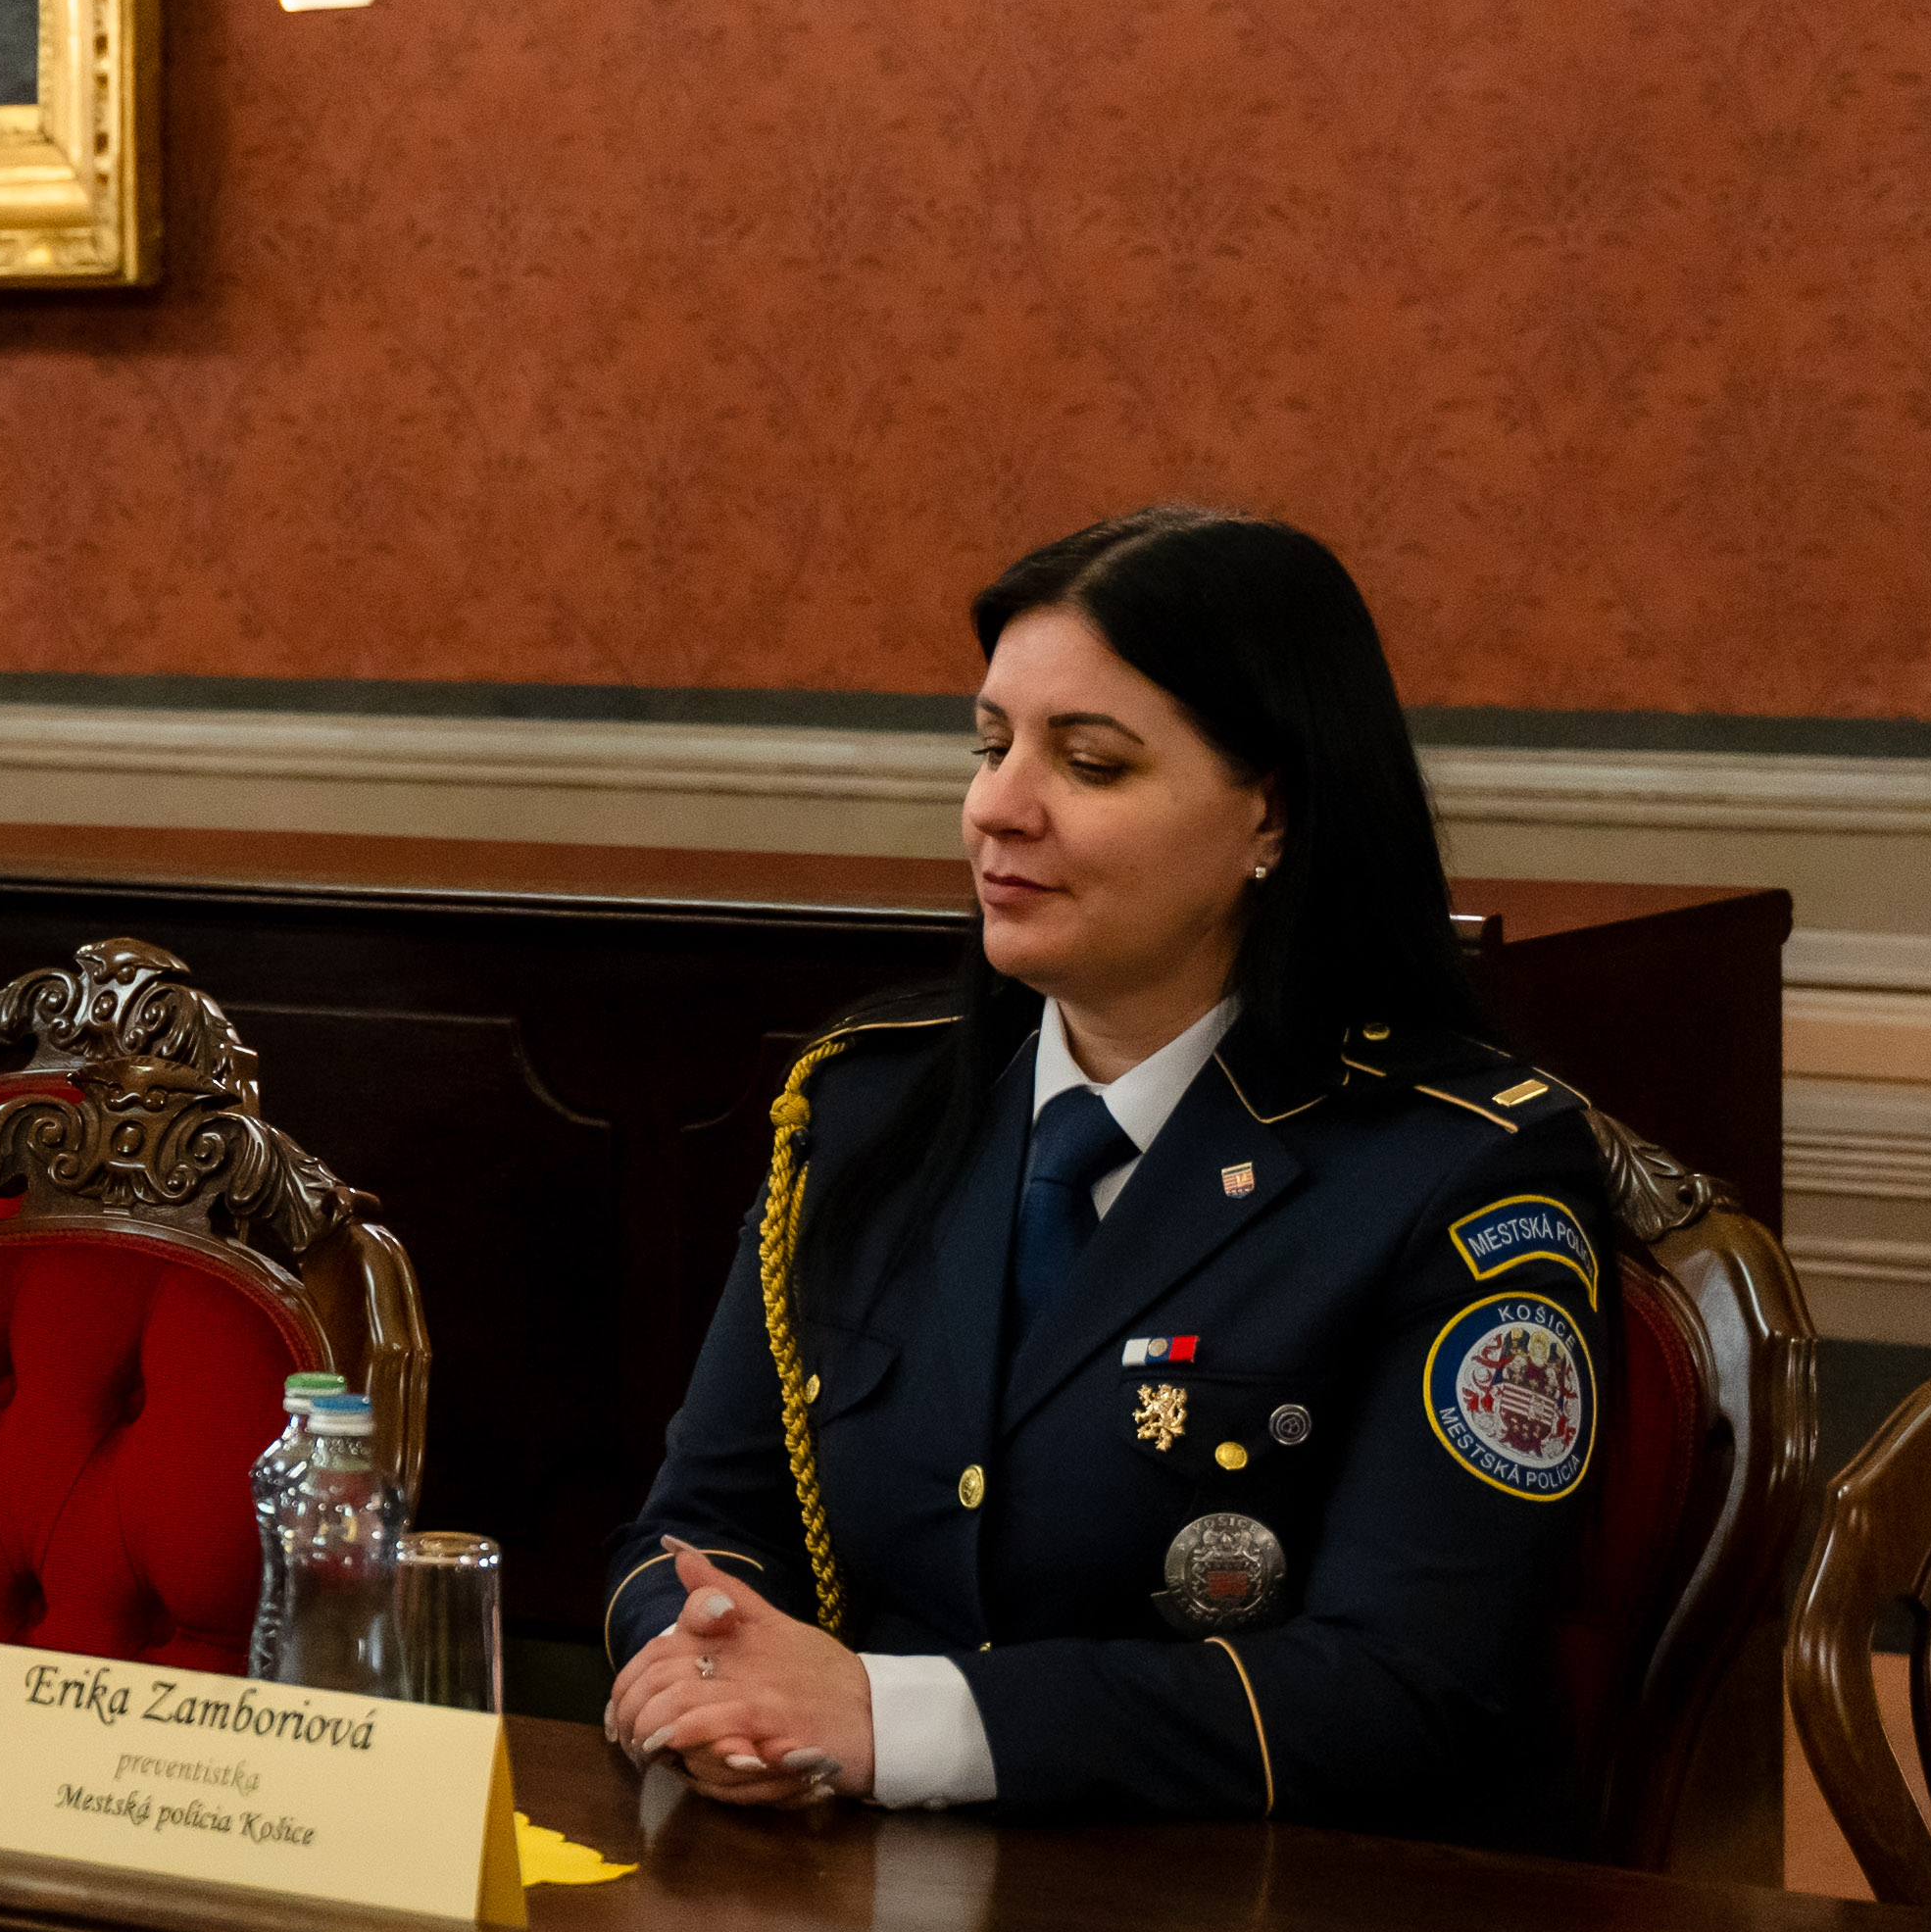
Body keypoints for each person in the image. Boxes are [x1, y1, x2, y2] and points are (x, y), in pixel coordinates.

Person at [600, 507, 1617, 1847]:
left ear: (1272, 810)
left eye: (1088, 762)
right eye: (989, 743)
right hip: (836, 1884)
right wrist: (708, 1679)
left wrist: (888, 1721)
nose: (996, 807)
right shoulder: (864, 1107)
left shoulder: (1462, 1174)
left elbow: (1403, 1687)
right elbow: (701, 1523)